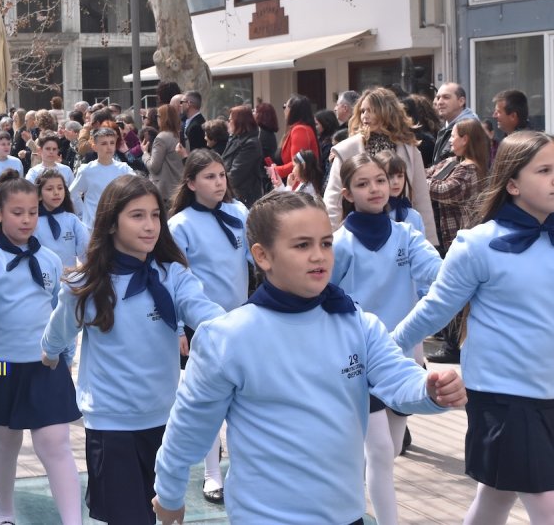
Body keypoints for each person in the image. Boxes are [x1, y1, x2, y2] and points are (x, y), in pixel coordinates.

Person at [151, 191, 467, 525]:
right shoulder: (227, 338)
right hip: (266, 517)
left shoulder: (357, 323)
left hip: (346, 514)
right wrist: (169, 493)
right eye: (302, 245)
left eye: (326, 243)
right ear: (263, 256)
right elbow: (188, 429)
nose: (319, 256)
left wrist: (429, 390)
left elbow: (397, 376)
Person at [391, 131, 554, 524]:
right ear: (512, 183)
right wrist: (385, 347)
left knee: (495, 498)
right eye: (546, 170)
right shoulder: (477, 245)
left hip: (548, 390)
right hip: (504, 396)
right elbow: (435, 310)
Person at [41, 175, 222, 525]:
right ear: (111, 223)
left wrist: (240, 332)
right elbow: (60, 328)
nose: (150, 225)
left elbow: (204, 311)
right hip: (112, 424)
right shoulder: (87, 284)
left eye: (155, 215)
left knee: (167, 515)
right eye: (137, 216)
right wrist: (49, 352)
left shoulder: (172, 275)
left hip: (166, 420)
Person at [0, 170, 81, 525]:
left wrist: (65, 354)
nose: (27, 220)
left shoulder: (52, 260)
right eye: (17, 212)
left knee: (55, 445)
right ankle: (5, 514)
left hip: (44, 365)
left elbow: (61, 314)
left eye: (33, 212)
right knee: (5, 446)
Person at [330, 153, 441, 525]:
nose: (375, 189)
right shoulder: (338, 244)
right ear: (347, 193)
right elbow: (324, 295)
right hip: (358, 358)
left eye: (380, 180)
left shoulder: (408, 233)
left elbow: (439, 275)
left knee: (390, 448)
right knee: (379, 450)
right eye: (363, 184)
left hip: (402, 358)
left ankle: (339, 488)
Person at [168, 149, 251, 504]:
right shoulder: (180, 224)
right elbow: (174, 280)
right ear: (190, 183)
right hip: (200, 326)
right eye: (209, 177)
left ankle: (244, 471)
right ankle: (212, 473)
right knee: (208, 400)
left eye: (221, 175)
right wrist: (177, 328)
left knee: (245, 396)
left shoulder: (239, 212)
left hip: (243, 320)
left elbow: (256, 259)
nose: (219, 182)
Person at [324, 88, 438, 245]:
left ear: (387, 112)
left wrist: (429, 242)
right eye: (363, 111)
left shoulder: (409, 150)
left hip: (400, 232)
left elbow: (421, 198)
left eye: (371, 111)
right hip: (357, 232)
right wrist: (328, 240)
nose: (365, 116)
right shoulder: (347, 149)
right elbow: (333, 199)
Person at [422, 119, 490, 365]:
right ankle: (452, 341)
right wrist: (427, 178)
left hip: (458, 236)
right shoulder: (454, 162)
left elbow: (445, 190)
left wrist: (423, 181)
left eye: (455, 135)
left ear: (467, 140)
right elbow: (429, 174)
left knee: (458, 292)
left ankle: (454, 346)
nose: (450, 140)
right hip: (445, 236)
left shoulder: (471, 169)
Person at [69, 127, 135, 230]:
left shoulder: (124, 169)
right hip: (92, 226)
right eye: (104, 144)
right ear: (94, 147)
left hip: (116, 225)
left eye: (112, 143)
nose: (109, 147)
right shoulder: (86, 170)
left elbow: (138, 187)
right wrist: (82, 212)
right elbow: (73, 193)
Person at [32, 169, 89, 268]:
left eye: (60, 188)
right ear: (39, 195)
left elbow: (85, 249)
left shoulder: (72, 220)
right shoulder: (33, 222)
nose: (56, 193)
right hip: (42, 278)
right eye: (49, 189)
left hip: (69, 279)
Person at [375, 151, 428, 238]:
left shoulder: (414, 216)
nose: (396, 182)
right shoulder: (369, 213)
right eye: (390, 176)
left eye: (400, 176)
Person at [221, 105, 265, 207]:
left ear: (239, 122)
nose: (229, 122)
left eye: (231, 120)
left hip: (243, 196)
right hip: (231, 192)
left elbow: (236, 174)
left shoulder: (251, 143)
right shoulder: (235, 138)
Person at [273, 95, 320, 181]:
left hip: (299, 183)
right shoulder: (298, 128)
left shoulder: (300, 129)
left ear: (292, 110)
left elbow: (298, 162)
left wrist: (276, 170)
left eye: (285, 106)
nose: (284, 110)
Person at [144, 104, 183, 201]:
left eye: (158, 116)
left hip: (164, 192)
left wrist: (145, 154)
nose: (156, 119)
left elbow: (154, 167)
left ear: (163, 118)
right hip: (179, 190)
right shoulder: (182, 136)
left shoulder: (161, 138)